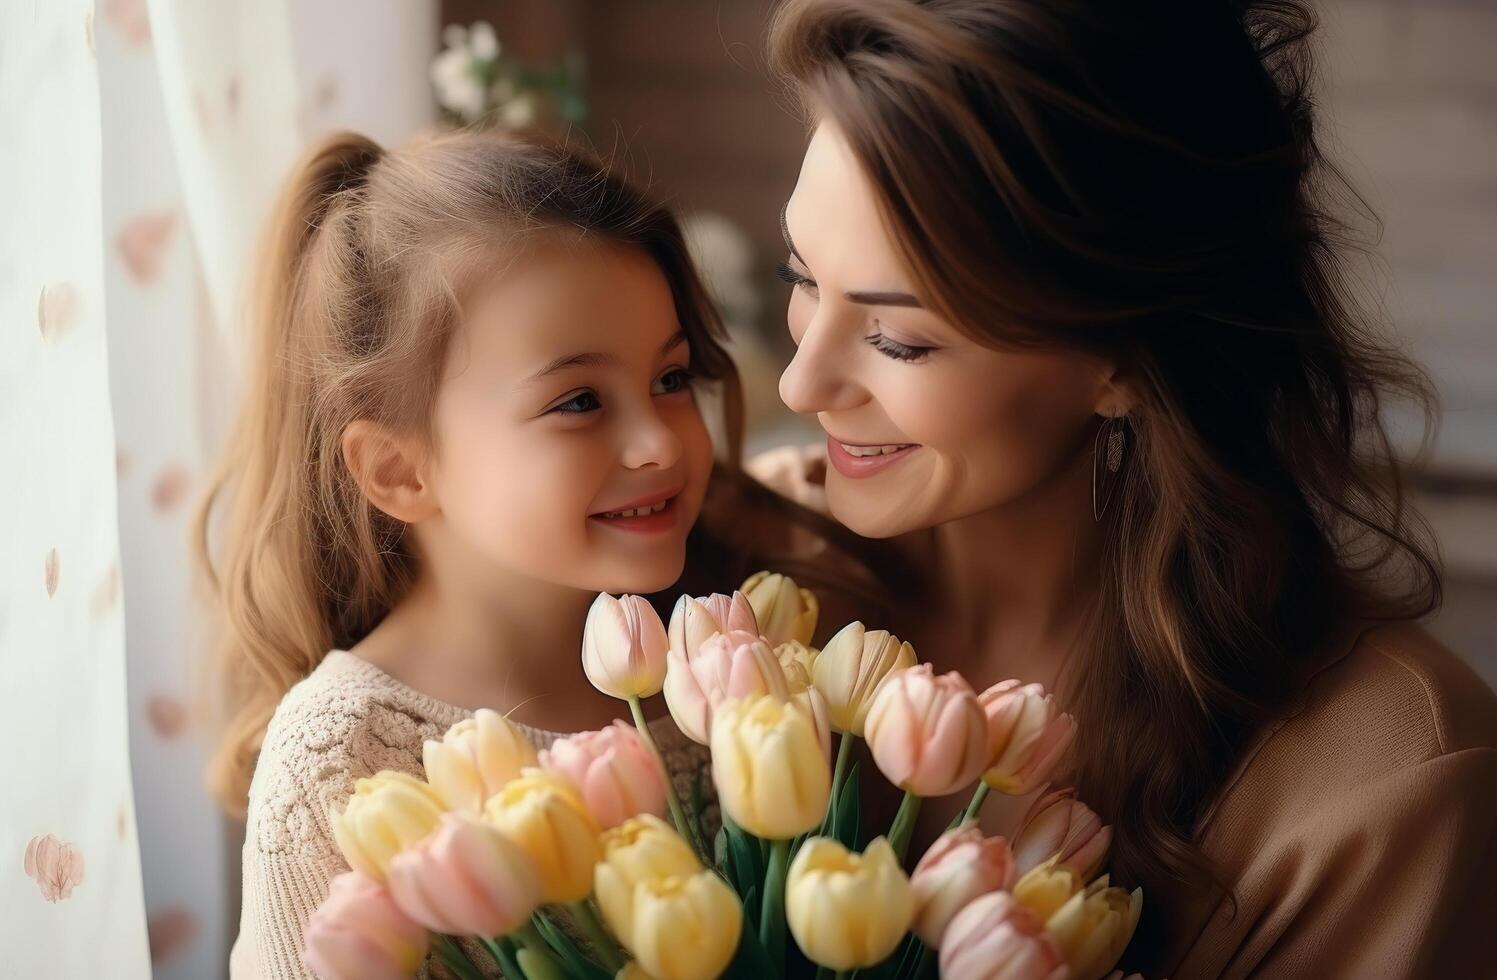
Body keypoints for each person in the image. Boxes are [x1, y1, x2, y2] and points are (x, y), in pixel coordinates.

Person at [755, 0, 1497, 974]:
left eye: (903, 338)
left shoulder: (1382, 784)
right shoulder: (736, 581)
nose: (799, 382)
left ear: (1123, 360)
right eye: (800, 276)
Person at [198, 128, 745, 978]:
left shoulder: (720, 669)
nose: (659, 445)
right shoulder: (343, 761)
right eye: (578, 400)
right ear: (399, 470)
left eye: (670, 379)